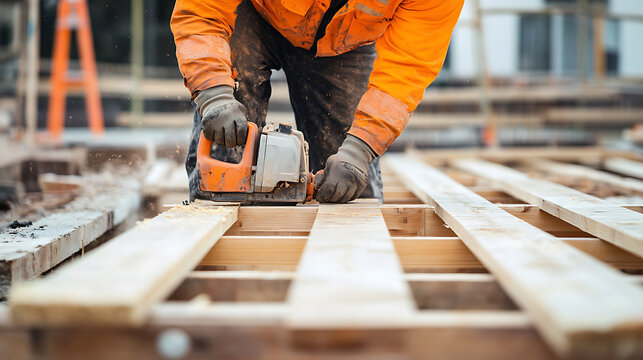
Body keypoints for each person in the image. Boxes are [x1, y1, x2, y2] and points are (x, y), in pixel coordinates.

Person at [171, 0, 463, 203]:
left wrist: (361, 148)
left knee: (346, 182)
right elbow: (201, 10)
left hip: (345, 43)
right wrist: (213, 92)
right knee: (227, 135)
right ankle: (216, 207)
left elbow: (406, 68)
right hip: (251, 12)